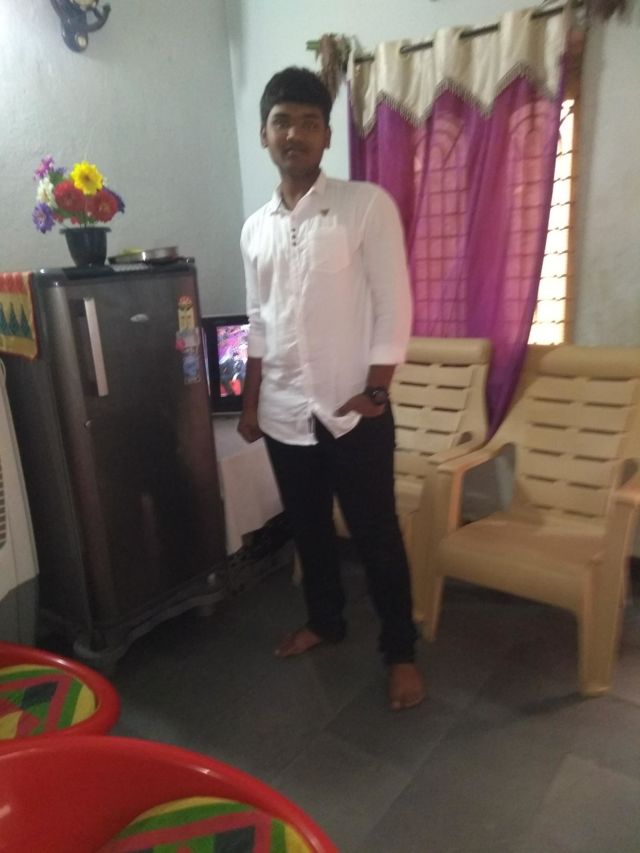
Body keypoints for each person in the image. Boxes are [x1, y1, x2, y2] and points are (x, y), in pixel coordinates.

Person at [238, 66, 425, 711]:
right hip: (284, 412)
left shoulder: (364, 205)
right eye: (282, 122)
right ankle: (325, 621)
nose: (294, 133)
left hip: (353, 412)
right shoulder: (255, 228)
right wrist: (251, 401)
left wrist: (376, 393)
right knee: (309, 529)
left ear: (325, 136)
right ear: (264, 134)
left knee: (377, 537)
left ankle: (401, 652)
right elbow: (258, 320)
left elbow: (394, 306)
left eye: (309, 122)